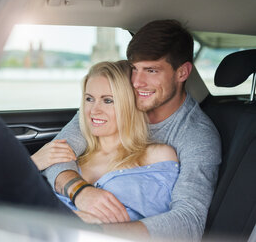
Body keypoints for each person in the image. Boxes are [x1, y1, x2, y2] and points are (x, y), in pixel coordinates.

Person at [34, 19, 222, 241]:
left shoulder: (196, 137)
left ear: (182, 73)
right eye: (134, 68)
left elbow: (189, 220)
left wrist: (95, 233)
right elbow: (58, 153)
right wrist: (81, 192)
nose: (137, 82)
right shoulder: (117, 95)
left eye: (151, 70)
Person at [33, 60, 180, 224]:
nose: (94, 110)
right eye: (89, 99)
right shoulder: (72, 154)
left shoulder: (156, 156)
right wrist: (33, 163)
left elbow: (155, 228)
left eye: (108, 100)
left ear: (130, 104)